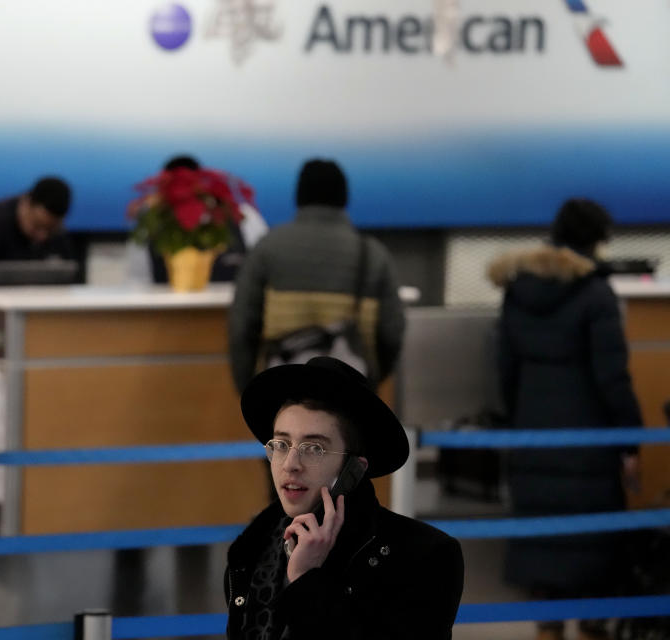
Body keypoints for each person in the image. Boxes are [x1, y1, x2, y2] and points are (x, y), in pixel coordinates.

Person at [487, 198, 643, 640]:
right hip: (589, 443)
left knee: (545, 556)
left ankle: (548, 633)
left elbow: (505, 369)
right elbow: (613, 377)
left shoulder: (517, 291)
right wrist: (631, 443)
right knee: (592, 556)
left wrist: (521, 424)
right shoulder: (596, 294)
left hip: (534, 437)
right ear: (595, 242)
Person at [226, 356, 464, 639]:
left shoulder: (425, 556)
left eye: (314, 448)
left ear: (355, 469)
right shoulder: (253, 547)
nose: (290, 464)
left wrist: (306, 581)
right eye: (281, 444)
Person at [228, 159, 405, 392]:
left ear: (298, 197)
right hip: (351, 389)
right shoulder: (372, 254)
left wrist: (248, 388)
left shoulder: (267, 249)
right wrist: (371, 381)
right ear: (344, 198)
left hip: (283, 387)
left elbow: (241, 329)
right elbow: (392, 333)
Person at [124, 155, 268, 284]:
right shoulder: (150, 223)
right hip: (168, 310)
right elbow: (138, 282)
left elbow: (264, 272)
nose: (182, 191)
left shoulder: (242, 216)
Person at [0, 176, 75, 287]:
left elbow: (68, 278)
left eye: (50, 230)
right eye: (37, 226)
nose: (42, 236)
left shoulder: (57, 233)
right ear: (26, 204)